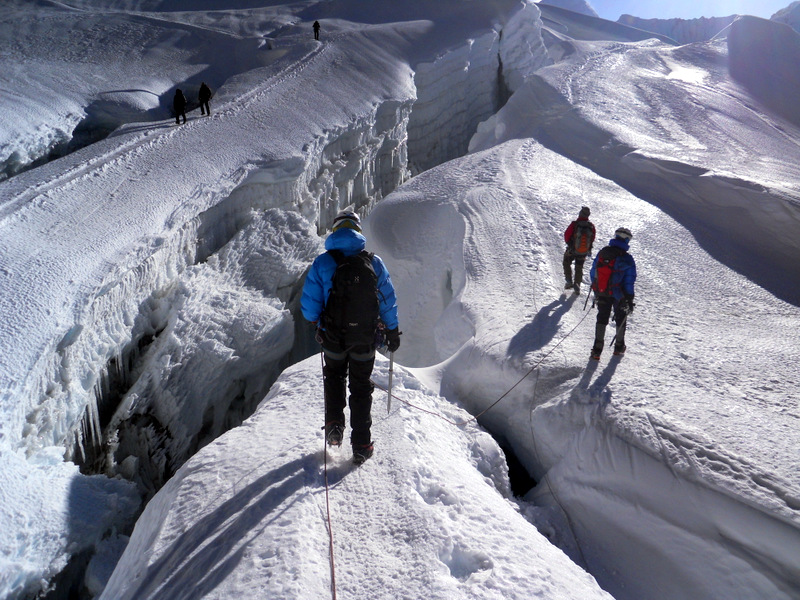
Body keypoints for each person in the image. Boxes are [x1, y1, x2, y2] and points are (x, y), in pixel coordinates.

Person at [301, 209, 400, 464]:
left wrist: (317, 322)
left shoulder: (323, 263)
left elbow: (310, 305)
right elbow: (387, 300)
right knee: (360, 387)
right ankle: (362, 445)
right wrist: (391, 330)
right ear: (357, 231)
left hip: (333, 337)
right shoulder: (373, 262)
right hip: (365, 339)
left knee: (334, 377)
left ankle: (334, 425)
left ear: (335, 231)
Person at [589, 227, 637, 359]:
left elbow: (593, 272)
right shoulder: (627, 258)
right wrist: (629, 298)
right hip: (619, 295)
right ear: (627, 240)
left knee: (602, 317)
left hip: (602, 291)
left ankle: (596, 350)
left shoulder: (603, 253)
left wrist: (597, 289)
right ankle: (619, 347)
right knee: (621, 318)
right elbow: (629, 281)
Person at [562, 206, 596, 295]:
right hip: (583, 251)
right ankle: (577, 284)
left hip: (572, 249)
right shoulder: (591, 226)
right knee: (579, 267)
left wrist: (570, 244)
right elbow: (592, 238)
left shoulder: (575, 224)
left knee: (566, 262)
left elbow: (567, 235)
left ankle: (569, 280)